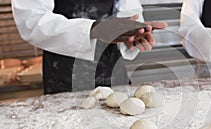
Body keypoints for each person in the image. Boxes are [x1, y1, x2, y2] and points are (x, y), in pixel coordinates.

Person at [11, 0, 167, 94]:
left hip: (113, 71)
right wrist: (94, 29)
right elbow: (31, 21)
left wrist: (133, 30)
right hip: (65, 76)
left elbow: (128, 7)